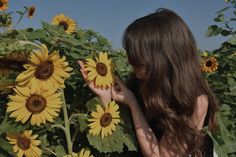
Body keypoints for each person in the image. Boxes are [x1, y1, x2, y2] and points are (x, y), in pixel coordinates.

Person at [78, 8, 218, 157]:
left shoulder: (195, 102)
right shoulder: (143, 82)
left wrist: (133, 103)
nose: (131, 61)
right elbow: (121, 132)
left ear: (162, 60)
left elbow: (159, 155)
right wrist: (105, 96)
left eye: (138, 57)